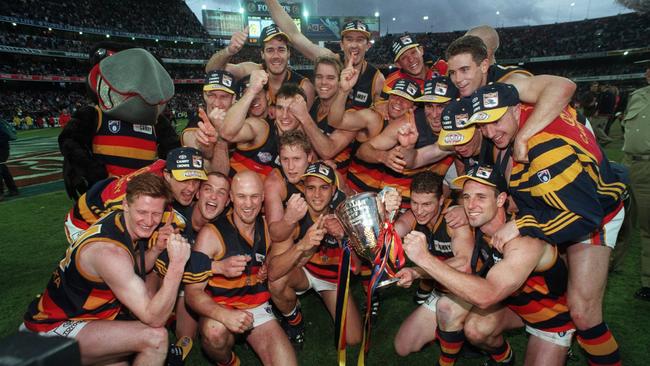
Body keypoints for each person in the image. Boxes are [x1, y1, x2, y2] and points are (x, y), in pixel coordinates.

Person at [470, 83, 625, 365]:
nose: (490, 133)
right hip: (573, 199)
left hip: (596, 214)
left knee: (583, 313)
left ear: (517, 110)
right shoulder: (528, 117)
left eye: (495, 121)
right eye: (483, 126)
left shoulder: (544, 149)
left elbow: (583, 217)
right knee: (561, 281)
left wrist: (523, 222)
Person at [402, 164, 576, 365]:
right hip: (512, 306)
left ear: (501, 199)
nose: (471, 205)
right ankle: (504, 359)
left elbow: (487, 295)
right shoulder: (478, 225)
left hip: (549, 317)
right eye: (466, 197)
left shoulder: (524, 240)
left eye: (481, 197)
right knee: (474, 328)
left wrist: (424, 259)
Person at [22, 173, 191, 365]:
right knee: (156, 338)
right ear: (126, 205)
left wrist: (155, 249)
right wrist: (177, 266)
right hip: (51, 330)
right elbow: (154, 318)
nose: (149, 221)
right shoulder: (109, 253)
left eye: (156, 214)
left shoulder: (116, 221)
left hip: (80, 319)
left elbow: (130, 267)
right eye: (142, 212)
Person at [184, 171, 297, 366]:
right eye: (242, 196)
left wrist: (267, 263)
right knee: (214, 332)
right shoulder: (211, 234)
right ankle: (229, 362)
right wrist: (224, 315)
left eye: (254, 196)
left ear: (262, 199)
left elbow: (280, 253)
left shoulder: (268, 227)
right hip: (221, 307)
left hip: (257, 307)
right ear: (231, 199)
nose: (248, 204)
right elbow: (192, 293)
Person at [58, 46, 180, 199]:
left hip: (144, 195)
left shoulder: (154, 120)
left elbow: (172, 149)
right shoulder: (95, 114)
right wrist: (95, 173)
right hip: (107, 193)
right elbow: (71, 142)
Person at [267, 161, 362, 349]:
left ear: (334, 190)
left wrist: (343, 237)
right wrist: (303, 245)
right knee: (277, 283)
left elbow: (357, 269)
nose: (317, 195)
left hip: (331, 279)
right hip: (303, 272)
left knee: (353, 339)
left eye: (324, 188)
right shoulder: (295, 215)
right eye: (311, 188)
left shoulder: (345, 212)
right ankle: (294, 321)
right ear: (303, 189)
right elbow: (273, 272)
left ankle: (331, 297)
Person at [444, 35, 576, 162]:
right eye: (452, 73)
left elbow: (563, 86)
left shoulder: (506, 84)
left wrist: (522, 137)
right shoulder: (468, 92)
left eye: (464, 70)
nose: (458, 79)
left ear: (484, 65)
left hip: (574, 142)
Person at [390, 171, 473, 356]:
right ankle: (451, 332)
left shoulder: (454, 219)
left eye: (427, 204)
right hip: (443, 289)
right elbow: (395, 232)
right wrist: (384, 215)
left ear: (441, 200)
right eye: (415, 203)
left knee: (469, 326)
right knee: (403, 347)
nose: (419, 210)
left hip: (470, 289)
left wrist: (417, 272)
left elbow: (464, 263)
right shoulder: (415, 215)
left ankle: (463, 335)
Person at [64, 147, 207, 245]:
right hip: (84, 223)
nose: (192, 188)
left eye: (196, 180)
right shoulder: (142, 196)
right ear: (167, 176)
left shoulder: (167, 167)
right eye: (184, 180)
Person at [263, 0, 384, 110]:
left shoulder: (376, 79)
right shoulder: (331, 61)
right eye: (349, 39)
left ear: (368, 45)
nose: (354, 45)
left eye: (360, 40)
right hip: (322, 125)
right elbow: (294, 36)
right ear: (341, 44)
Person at [220, 70, 306, 178]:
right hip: (239, 188)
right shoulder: (260, 126)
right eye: (280, 108)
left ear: (267, 96)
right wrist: (251, 91)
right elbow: (227, 132)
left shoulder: (301, 136)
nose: (285, 115)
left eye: (291, 109)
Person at [206, 23, 315, 108]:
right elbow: (212, 71)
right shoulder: (252, 71)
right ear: (262, 54)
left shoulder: (304, 86)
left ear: (289, 53)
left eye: (281, 50)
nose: (276, 56)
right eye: (270, 50)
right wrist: (229, 51)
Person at [622, 65, 650, 301]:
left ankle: (648, 281)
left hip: (648, 167)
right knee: (620, 219)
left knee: (647, 227)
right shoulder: (638, 95)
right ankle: (608, 265)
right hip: (629, 164)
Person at [382, 34, 448, 97]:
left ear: (421, 50)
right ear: (398, 64)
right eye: (404, 58)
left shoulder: (445, 68)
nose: (411, 60)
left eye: (413, 52)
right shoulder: (391, 85)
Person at [0, 118, 18, 200]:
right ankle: (13, 189)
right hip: (3, 149)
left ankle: (1, 193)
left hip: (2, 150)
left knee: (1, 169)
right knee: (3, 169)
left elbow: (5, 136)